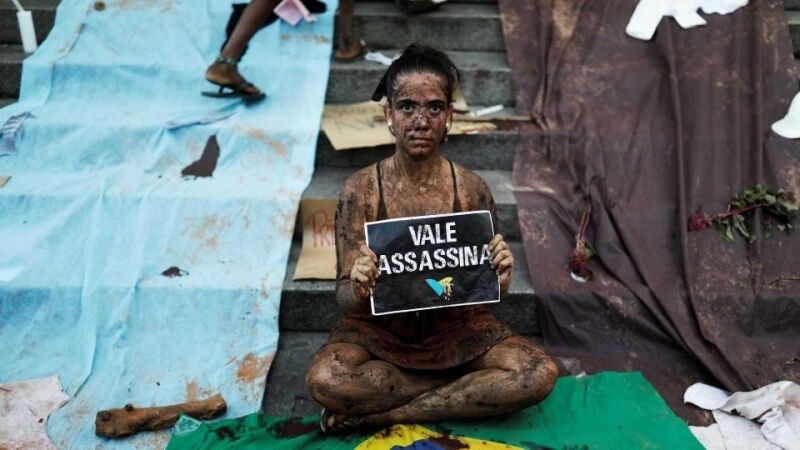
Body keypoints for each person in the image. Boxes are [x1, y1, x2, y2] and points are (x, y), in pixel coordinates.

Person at [305, 44, 558, 433]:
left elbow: (485, 292)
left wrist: (501, 278)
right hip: (381, 331)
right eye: (407, 107)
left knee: (537, 372)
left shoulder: (472, 188)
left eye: (434, 108)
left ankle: (392, 412)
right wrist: (358, 283)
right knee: (327, 378)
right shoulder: (361, 190)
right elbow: (346, 299)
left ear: (450, 117)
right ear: (388, 114)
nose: (420, 121)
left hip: (457, 328)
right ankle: (458, 392)